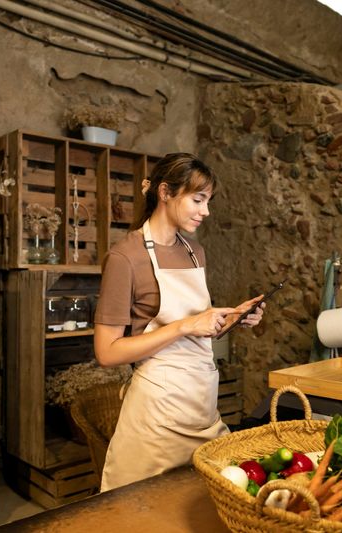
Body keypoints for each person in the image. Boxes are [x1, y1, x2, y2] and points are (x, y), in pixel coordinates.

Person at [93, 152, 264, 491]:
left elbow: (195, 331)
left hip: (201, 403)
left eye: (208, 201)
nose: (206, 211)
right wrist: (186, 325)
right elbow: (107, 352)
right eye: (198, 200)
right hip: (156, 413)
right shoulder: (125, 258)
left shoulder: (193, 251)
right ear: (165, 192)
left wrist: (230, 318)